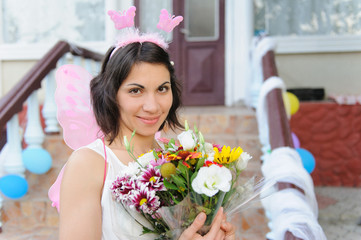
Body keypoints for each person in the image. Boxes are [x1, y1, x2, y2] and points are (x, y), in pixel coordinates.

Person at [52, 7, 236, 240]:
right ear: (111, 95)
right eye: (136, 91)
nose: (152, 106)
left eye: (162, 89)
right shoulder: (90, 164)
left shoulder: (177, 161)